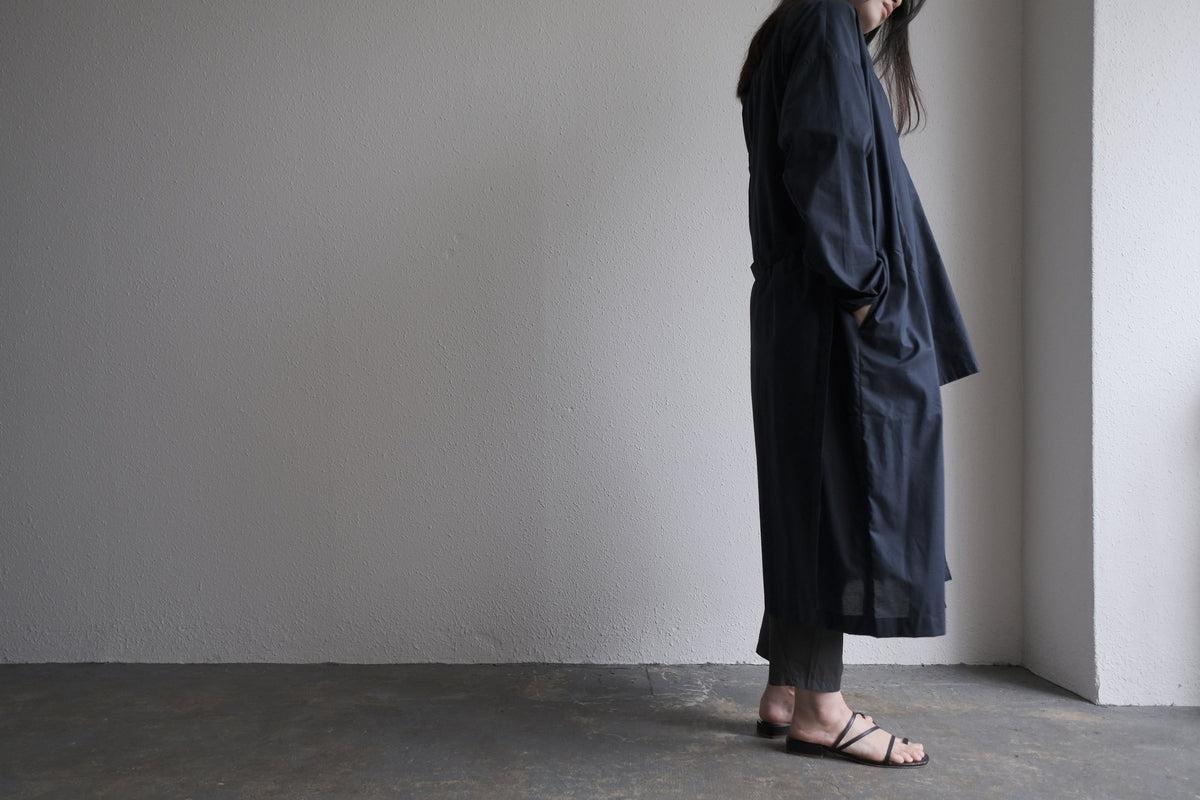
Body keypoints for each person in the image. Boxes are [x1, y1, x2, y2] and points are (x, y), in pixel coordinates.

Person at [736, 0, 980, 768]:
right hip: (832, 313)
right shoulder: (822, 23)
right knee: (836, 506)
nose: (897, 0)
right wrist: (867, 292)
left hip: (803, 310)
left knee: (810, 499)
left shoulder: (797, 28)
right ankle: (821, 710)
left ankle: (788, 688)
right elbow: (826, 156)